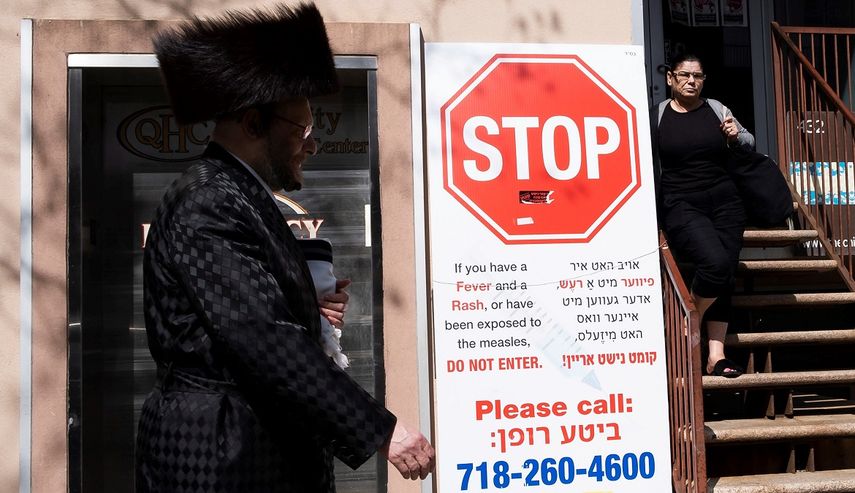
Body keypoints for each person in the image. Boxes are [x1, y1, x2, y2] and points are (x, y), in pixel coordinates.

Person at [136, 3, 435, 491]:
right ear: (254, 124)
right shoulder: (208, 198)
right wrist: (383, 430)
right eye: (302, 131)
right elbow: (262, 337)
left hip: (248, 448)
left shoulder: (236, 193)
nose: (311, 146)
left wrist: (308, 310)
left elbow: (237, 314)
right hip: (222, 458)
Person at [652, 53, 754, 378]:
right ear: (671, 78)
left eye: (698, 76)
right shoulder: (656, 116)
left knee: (724, 271)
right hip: (681, 203)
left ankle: (716, 355)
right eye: (684, 75)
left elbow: (749, 143)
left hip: (725, 202)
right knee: (715, 264)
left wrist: (735, 137)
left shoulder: (716, 109)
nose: (691, 81)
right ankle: (689, 320)